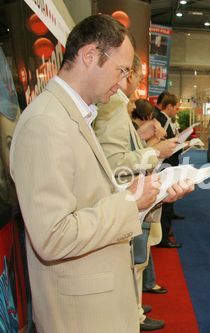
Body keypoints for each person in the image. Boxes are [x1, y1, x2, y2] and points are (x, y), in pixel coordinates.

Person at [9, 15, 192, 332]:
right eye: (121, 70)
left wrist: (148, 196)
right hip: (80, 313)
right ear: (90, 56)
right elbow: (53, 235)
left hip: (94, 301)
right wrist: (130, 201)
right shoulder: (46, 123)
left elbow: (89, 201)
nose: (123, 83)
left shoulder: (73, 116)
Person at [93, 54, 176, 331]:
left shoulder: (116, 107)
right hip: (125, 198)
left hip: (125, 199)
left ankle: (135, 309)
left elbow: (120, 149)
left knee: (136, 262)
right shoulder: (114, 106)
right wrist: (154, 151)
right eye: (136, 76)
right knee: (134, 262)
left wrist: (140, 137)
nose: (136, 83)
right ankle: (133, 313)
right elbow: (114, 162)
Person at [154, 93, 185, 248]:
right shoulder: (161, 120)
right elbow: (162, 146)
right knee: (164, 201)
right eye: (176, 106)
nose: (177, 110)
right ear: (170, 106)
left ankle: (165, 233)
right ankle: (163, 238)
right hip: (164, 166)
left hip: (167, 164)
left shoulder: (164, 120)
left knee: (168, 200)